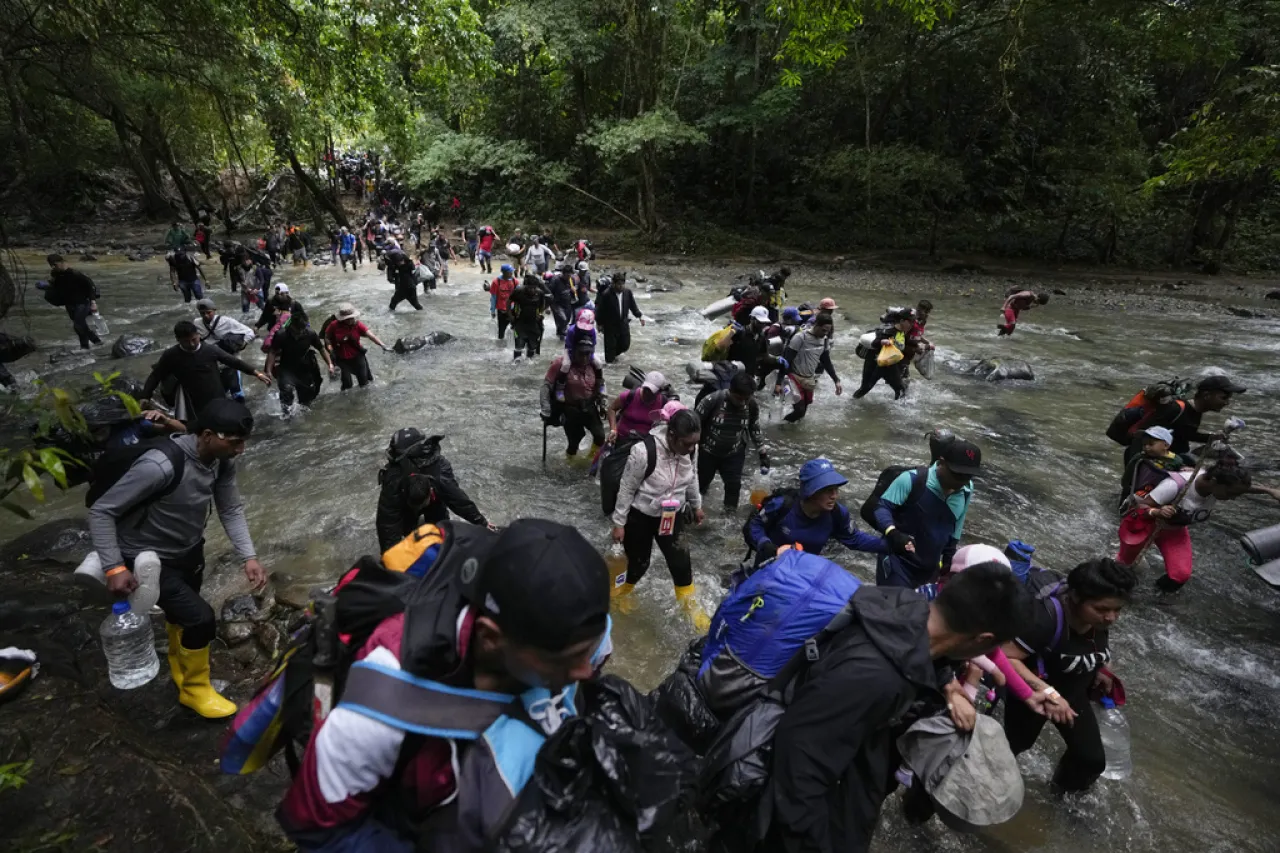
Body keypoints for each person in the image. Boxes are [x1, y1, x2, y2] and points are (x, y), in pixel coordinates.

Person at [278, 519, 611, 852]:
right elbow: (316, 827)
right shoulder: (380, 705)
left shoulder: (577, 632)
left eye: (591, 649)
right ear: (490, 638)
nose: (586, 669)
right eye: (568, 659)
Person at [762, 562, 1027, 853]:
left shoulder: (906, 607)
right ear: (982, 639)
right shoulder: (874, 676)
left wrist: (948, 685)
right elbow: (798, 771)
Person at [88, 399, 266, 718]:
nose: (240, 449)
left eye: (243, 442)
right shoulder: (160, 465)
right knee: (201, 619)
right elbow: (102, 510)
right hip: (144, 556)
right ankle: (195, 691)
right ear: (208, 434)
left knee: (180, 617)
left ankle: (180, 670)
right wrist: (113, 566)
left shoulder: (221, 460)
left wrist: (248, 556)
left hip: (188, 549)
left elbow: (230, 508)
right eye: (235, 442)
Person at [1001, 558, 1136, 792]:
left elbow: (1097, 644)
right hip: (1034, 697)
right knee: (1011, 750)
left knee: (1091, 760)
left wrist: (1102, 667)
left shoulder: (1099, 621)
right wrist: (1048, 692)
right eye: (1102, 609)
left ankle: (1059, 799)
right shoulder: (1045, 618)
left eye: (1117, 610)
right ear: (1075, 597)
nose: (1111, 617)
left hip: (1074, 693)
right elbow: (1005, 657)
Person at [609, 405, 709, 629]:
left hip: (673, 514)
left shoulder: (690, 448)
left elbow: (692, 476)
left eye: (695, 443)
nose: (691, 448)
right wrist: (619, 523)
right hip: (641, 516)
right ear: (671, 435)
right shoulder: (643, 452)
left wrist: (697, 504)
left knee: (682, 563)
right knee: (638, 564)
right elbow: (626, 488)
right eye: (687, 443)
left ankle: (690, 610)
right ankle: (619, 594)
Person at [1119, 461, 1279, 593]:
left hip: (1174, 530)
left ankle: (1154, 598)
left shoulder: (1218, 484)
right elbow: (1138, 508)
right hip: (1144, 524)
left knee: (1180, 576)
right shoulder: (1175, 486)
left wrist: (1269, 491)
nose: (1233, 499)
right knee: (1124, 569)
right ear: (1215, 482)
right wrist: (1157, 511)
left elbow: (1241, 488)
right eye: (1231, 494)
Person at [872, 438, 980, 588]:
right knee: (895, 608)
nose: (961, 481)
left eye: (967, 476)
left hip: (929, 569)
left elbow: (956, 526)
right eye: (957, 474)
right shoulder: (912, 479)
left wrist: (949, 559)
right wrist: (893, 533)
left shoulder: (967, 490)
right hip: (897, 562)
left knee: (922, 610)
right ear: (941, 463)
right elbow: (881, 508)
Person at [745, 458, 891, 566]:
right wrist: (765, 544)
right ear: (811, 492)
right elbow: (755, 525)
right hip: (768, 567)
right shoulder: (782, 505)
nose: (834, 495)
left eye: (836, 489)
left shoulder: (837, 513)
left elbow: (854, 539)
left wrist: (893, 545)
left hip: (804, 572)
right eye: (828, 490)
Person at [374, 428, 494, 551]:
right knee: (408, 534)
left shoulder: (440, 473)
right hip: (407, 503)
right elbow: (387, 523)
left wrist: (482, 523)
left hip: (434, 500)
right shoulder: (394, 479)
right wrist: (389, 558)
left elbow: (458, 500)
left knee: (441, 533)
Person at [143, 320, 270, 421]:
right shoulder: (171, 355)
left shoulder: (210, 350)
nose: (192, 344)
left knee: (221, 422)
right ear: (178, 340)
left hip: (215, 394)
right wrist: (145, 396)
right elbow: (156, 375)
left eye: (194, 339)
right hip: (190, 398)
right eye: (186, 342)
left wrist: (256, 373)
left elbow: (233, 361)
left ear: (198, 335)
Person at [1125, 374, 1246, 465]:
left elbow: (1186, 434)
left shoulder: (1195, 411)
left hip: (1168, 459)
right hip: (1146, 461)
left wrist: (1213, 437)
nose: (1227, 403)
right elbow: (1142, 434)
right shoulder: (1176, 409)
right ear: (1207, 395)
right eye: (1223, 398)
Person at [695, 371, 768, 511]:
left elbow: (754, 428)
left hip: (734, 453)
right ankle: (696, 513)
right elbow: (694, 425)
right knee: (700, 486)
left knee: (734, 487)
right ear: (731, 391)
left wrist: (762, 452)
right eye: (740, 398)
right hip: (708, 452)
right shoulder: (712, 400)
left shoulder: (751, 405)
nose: (743, 402)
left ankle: (728, 519)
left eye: (747, 398)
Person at [541, 339, 606, 458]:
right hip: (570, 409)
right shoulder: (560, 365)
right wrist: (545, 409)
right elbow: (546, 387)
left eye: (588, 354)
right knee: (574, 442)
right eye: (581, 354)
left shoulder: (594, 365)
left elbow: (601, 384)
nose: (585, 358)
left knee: (600, 436)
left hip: (589, 406)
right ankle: (570, 461)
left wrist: (603, 403)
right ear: (573, 351)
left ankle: (590, 460)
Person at [266, 307, 334, 413]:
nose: (300, 332)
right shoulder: (281, 334)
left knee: (306, 402)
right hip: (286, 368)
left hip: (304, 369)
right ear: (291, 325)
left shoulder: (310, 333)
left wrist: (330, 364)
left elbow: (321, 349)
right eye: (297, 330)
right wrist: (269, 371)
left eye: (302, 329)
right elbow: (272, 352)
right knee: (286, 392)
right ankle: (286, 418)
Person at [775, 314, 841, 423]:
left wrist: (836, 380)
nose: (825, 333)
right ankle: (781, 426)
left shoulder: (824, 340)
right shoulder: (800, 337)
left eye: (827, 331)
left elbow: (827, 362)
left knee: (803, 413)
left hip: (809, 378)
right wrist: (778, 382)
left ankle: (790, 432)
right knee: (799, 410)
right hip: (793, 377)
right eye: (823, 330)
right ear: (816, 325)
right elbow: (787, 360)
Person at [196, 299, 256, 402]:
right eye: (202, 313)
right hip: (213, 363)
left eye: (209, 312)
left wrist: (242, 345)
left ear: (214, 310)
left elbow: (250, 332)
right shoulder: (197, 323)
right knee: (218, 393)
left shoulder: (227, 321)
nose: (206, 315)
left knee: (237, 393)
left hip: (231, 362)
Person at [42, 254, 102, 349]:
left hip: (82, 303)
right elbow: (57, 288)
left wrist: (93, 303)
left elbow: (90, 287)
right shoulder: (56, 275)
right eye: (51, 265)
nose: (53, 267)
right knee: (81, 327)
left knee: (78, 326)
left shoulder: (75, 274)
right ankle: (90, 345)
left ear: (61, 262)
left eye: (55, 264)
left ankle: (91, 344)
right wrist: (47, 287)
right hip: (69, 304)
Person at [325, 303, 389, 390]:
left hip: (357, 356)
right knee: (347, 384)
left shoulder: (358, 325)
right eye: (348, 319)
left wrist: (382, 345)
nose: (351, 320)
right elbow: (327, 338)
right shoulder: (333, 325)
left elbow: (371, 336)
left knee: (364, 382)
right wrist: (330, 350)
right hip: (341, 359)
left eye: (352, 318)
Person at [853, 308, 914, 400]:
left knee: (901, 389)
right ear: (902, 321)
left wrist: (920, 346)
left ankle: (898, 411)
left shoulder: (902, 332)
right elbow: (874, 343)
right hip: (874, 364)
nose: (912, 325)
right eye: (910, 322)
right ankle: (851, 403)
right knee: (864, 389)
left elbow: (903, 345)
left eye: (913, 322)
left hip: (889, 366)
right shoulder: (887, 331)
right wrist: (882, 341)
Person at [1118, 425, 1185, 508]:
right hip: (1141, 489)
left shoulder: (1176, 461)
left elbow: (1180, 476)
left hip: (1162, 491)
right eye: (1144, 444)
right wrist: (1126, 486)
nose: (1146, 447)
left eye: (1151, 444)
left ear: (1166, 446)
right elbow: (1129, 472)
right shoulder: (1140, 457)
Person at [606, 371, 668, 442]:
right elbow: (611, 409)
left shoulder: (663, 404)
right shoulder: (629, 396)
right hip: (622, 438)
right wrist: (613, 429)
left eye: (651, 391)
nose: (647, 393)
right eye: (646, 389)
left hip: (645, 443)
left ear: (659, 391)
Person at [596, 272, 644, 363]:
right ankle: (610, 368)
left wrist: (640, 316)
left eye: (622, 284)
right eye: (618, 284)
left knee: (625, 345)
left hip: (623, 323)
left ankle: (614, 356)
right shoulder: (606, 294)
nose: (621, 286)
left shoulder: (627, 292)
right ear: (613, 284)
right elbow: (600, 310)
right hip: (610, 326)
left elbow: (633, 306)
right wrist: (599, 323)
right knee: (610, 351)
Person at [510, 273, 547, 361]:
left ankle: (529, 362)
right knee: (519, 345)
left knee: (532, 347)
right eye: (530, 288)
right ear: (526, 286)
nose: (532, 290)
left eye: (534, 288)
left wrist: (541, 313)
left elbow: (543, 305)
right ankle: (515, 364)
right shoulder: (518, 291)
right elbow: (509, 301)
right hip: (520, 322)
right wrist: (510, 315)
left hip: (534, 323)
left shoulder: (540, 293)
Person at [384, 243, 423, 312]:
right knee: (416, 305)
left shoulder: (401, 267)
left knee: (393, 303)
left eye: (400, 261)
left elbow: (391, 277)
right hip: (410, 287)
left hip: (405, 288)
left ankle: (390, 316)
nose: (400, 263)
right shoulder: (408, 264)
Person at [490, 264, 518, 339]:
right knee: (501, 331)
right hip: (502, 311)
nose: (512, 273)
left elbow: (519, 297)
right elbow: (493, 298)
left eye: (512, 272)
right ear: (504, 272)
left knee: (516, 329)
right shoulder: (496, 282)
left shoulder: (515, 281)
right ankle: (500, 348)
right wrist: (492, 310)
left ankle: (515, 345)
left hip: (513, 310)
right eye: (510, 272)